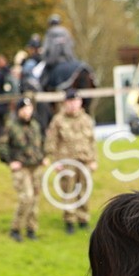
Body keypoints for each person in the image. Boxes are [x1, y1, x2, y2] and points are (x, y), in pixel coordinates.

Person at [45, 87, 98, 234]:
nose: (73, 104)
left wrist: (94, 160)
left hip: (84, 161)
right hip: (66, 162)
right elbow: (51, 142)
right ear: (64, 103)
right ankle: (69, 220)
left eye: (75, 101)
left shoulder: (86, 119)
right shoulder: (58, 120)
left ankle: (83, 218)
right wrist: (55, 162)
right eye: (69, 101)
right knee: (68, 191)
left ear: (80, 102)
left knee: (84, 190)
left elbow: (92, 142)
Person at [0, 97, 47, 242]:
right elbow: (2, 146)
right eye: (24, 109)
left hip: (36, 167)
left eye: (29, 108)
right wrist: (10, 161)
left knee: (35, 200)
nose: (27, 112)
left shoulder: (35, 125)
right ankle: (16, 228)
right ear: (18, 110)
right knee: (26, 198)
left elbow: (40, 144)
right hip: (22, 168)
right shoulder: (11, 126)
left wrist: (43, 157)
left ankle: (31, 229)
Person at [41, 14, 76, 80]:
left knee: (43, 78)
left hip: (53, 62)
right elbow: (72, 44)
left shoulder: (49, 32)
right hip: (68, 60)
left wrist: (43, 57)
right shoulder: (66, 31)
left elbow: (46, 48)